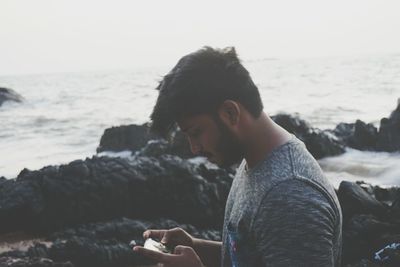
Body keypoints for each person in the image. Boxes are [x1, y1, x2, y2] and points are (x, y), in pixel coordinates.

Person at [133, 47, 342, 267]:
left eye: (196, 133)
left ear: (230, 113)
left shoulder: (291, 196)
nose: (194, 148)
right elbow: (251, 255)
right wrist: (198, 248)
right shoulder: (256, 161)